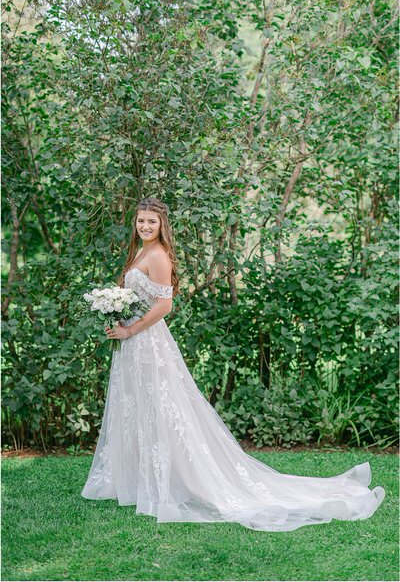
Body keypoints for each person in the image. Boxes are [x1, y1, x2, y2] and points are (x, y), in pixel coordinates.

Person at [81, 197, 384, 530]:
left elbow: (165, 305)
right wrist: (117, 317)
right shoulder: (139, 252)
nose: (145, 227)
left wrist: (131, 329)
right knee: (138, 407)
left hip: (147, 341)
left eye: (152, 222)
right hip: (133, 343)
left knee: (164, 408)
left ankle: (182, 480)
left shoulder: (157, 256)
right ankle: (140, 480)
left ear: (162, 225)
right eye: (141, 221)